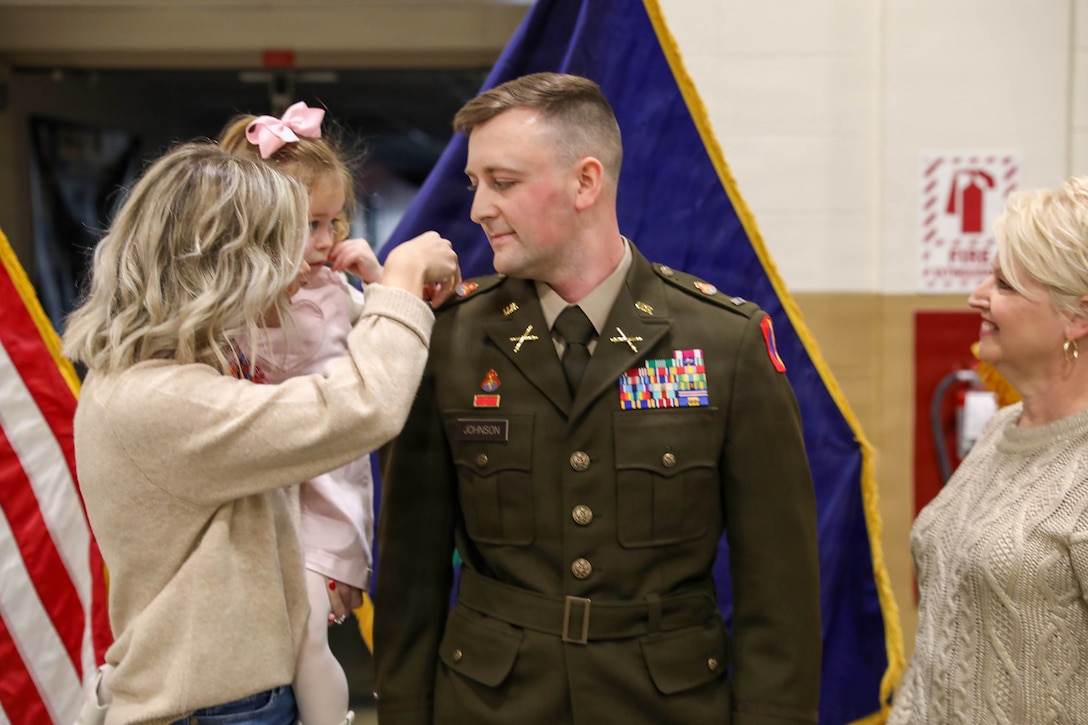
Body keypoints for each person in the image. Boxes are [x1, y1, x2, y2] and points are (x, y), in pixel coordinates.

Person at [372, 72, 821, 725]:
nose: (477, 209)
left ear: (586, 182)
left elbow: (778, 583)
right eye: (475, 185)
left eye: (503, 182)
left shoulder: (725, 342)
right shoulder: (452, 342)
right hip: (492, 702)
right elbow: (409, 571)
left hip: (665, 703)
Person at [63, 141, 459, 725]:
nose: (307, 262)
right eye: (280, 244)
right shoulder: (160, 400)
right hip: (220, 707)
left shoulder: (175, 373)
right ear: (223, 262)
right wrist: (397, 284)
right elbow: (359, 408)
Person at [889, 177, 1088, 723]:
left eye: (1003, 283)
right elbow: (943, 646)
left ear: (1076, 317)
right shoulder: (1001, 431)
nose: (977, 295)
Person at [218, 101, 384, 725]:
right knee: (287, 627)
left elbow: (396, 340)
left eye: (334, 222)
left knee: (311, 625)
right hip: (261, 495)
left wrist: (381, 279)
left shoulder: (334, 292)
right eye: (309, 224)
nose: (326, 241)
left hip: (324, 488)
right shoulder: (225, 306)